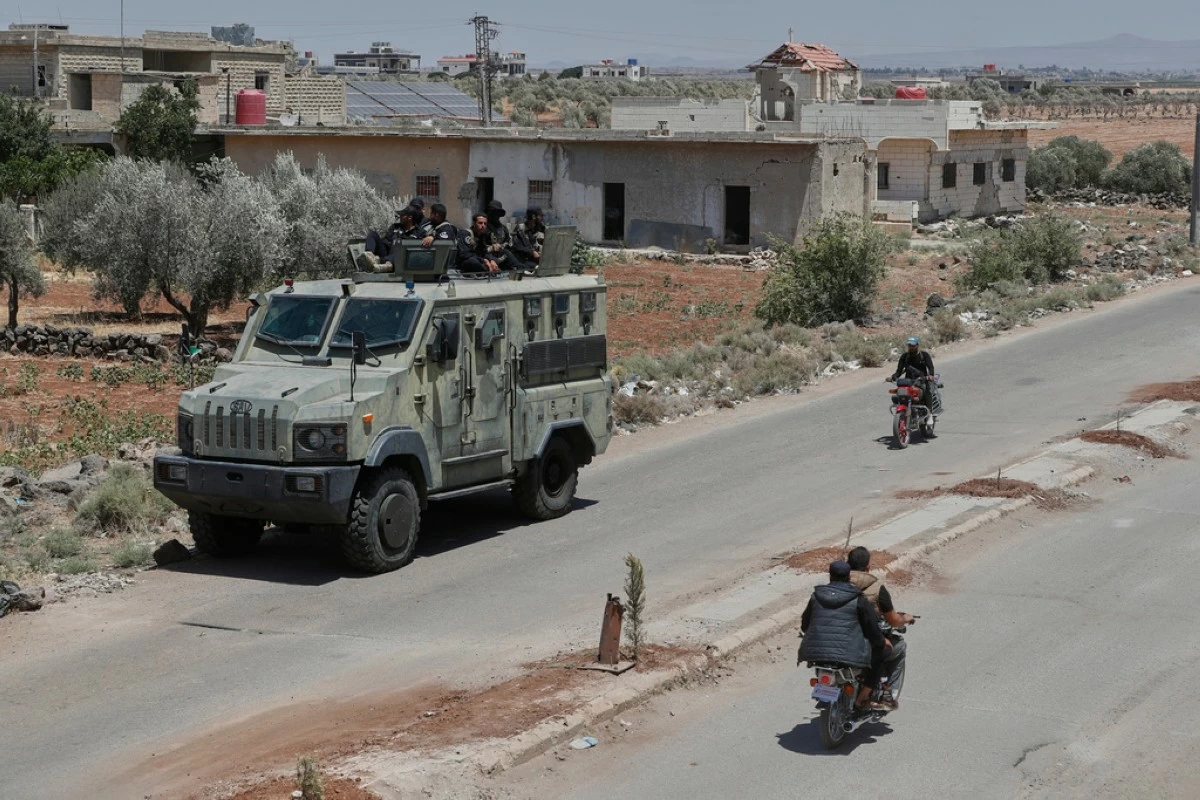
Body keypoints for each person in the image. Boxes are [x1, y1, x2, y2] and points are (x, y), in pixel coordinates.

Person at [799, 560, 891, 713]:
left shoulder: (816, 596)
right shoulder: (858, 599)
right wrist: (882, 641)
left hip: (816, 654)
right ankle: (862, 698)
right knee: (882, 653)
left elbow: (805, 625)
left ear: (830, 576)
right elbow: (871, 629)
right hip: (847, 656)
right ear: (849, 576)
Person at [847, 546, 915, 710]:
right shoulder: (877, 589)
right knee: (895, 647)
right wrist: (906, 618)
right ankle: (881, 694)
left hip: (837, 639)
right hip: (863, 641)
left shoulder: (835, 585)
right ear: (868, 567)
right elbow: (893, 620)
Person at [887, 336, 942, 415]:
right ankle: (902, 412)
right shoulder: (904, 357)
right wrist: (892, 377)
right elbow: (898, 372)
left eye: (913, 345)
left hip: (922, 381)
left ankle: (929, 413)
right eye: (909, 345)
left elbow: (930, 367)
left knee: (928, 392)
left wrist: (930, 376)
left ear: (917, 345)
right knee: (898, 394)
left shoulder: (924, 355)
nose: (911, 347)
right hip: (908, 382)